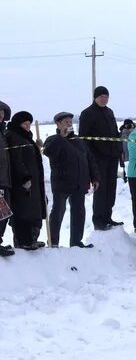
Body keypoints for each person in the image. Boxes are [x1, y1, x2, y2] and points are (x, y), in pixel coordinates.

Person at [42, 111, 100, 248]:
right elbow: (49, 152)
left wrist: (95, 177)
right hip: (62, 182)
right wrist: (61, 137)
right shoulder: (53, 139)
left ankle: (76, 242)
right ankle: (53, 241)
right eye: (66, 122)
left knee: (79, 212)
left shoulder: (78, 141)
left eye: (70, 122)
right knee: (58, 210)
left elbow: (90, 160)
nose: (69, 124)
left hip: (79, 182)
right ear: (58, 124)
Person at [79, 85, 123, 230]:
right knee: (101, 188)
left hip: (112, 156)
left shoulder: (109, 112)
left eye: (106, 96)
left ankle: (107, 217)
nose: (104, 99)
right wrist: (90, 156)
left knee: (111, 187)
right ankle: (98, 220)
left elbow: (115, 133)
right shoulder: (87, 113)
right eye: (101, 97)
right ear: (95, 97)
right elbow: (84, 137)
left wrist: (119, 149)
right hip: (98, 157)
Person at [5, 111, 46, 250]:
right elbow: (17, 160)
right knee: (23, 212)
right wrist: (25, 177)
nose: (28, 126)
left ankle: (32, 239)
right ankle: (23, 241)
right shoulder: (14, 136)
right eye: (25, 124)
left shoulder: (25, 137)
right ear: (18, 124)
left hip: (32, 181)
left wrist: (35, 145)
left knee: (33, 211)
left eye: (29, 124)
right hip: (22, 183)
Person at [0, 100, 13, 256]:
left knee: (4, 213)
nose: (1, 115)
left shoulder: (3, 133)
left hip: (5, 180)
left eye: (2, 113)